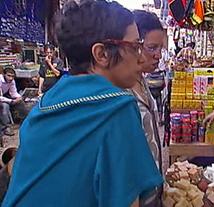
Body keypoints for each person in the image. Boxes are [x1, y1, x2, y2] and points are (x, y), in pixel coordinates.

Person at [2, 1, 162, 207]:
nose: (141, 57)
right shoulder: (116, 107)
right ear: (102, 54)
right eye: (135, 47)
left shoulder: (48, 100)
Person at [131, 10, 165, 206]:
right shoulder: (120, 89)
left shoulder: (141, 80)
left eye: (160, 48)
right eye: (152, 48)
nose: (158, 55)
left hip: (153, 189)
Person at [0, 67, 27, 136]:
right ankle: (6, 127)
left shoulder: (12, 81)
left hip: (5, 96)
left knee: (20, 102)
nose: (10, 78)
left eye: (12, 76)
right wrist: (11, 101)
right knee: (5, 106)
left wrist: (19, 97)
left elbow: (13, 92)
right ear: (4, 74)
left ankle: (25, 121)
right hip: (1, 98)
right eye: (8, 76)